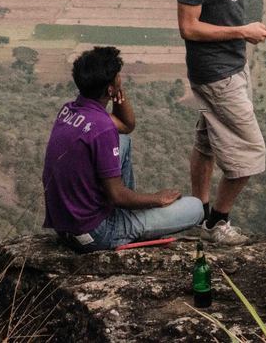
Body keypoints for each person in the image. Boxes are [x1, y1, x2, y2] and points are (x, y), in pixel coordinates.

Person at [175, 0, 266, 245]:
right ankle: (217, 222)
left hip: (232, 62)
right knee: (251, 151)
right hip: (215, 71)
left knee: (207, 142)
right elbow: (188, 27)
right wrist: (242, 31)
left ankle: (198, 215)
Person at [42, 46, 203, 251]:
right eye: (118, 76)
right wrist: (157, 199)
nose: (121, 79)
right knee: (195, 207)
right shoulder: (102, 128)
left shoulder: (69, 110)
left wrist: (116, 92)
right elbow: (117, 195)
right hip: (97, 233)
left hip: (66, 228)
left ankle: (126, 214)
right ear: (109, 88)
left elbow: (126, 126)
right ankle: (126, 230)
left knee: (123, 141)